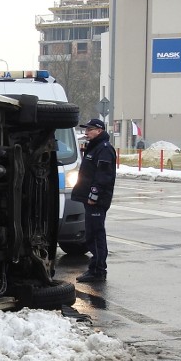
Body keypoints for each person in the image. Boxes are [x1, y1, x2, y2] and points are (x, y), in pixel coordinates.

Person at [71, 118, 116, 283]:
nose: (86, 132)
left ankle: (98, 270)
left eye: (89, 129)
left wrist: (94, 196)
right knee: (91, 234)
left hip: (96, 201)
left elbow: (103, 177)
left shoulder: (104, 149)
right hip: (89, 199)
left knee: (96, 235)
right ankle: (96, 268)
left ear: (99, 130)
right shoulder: (95, 147)